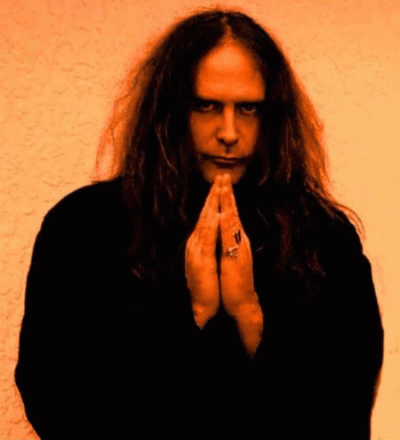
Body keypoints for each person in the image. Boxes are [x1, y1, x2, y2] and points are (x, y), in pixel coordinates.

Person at [15, 9, 383, 440]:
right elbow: (57, 404)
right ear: (170, 112)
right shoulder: (83, 228)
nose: (228, 132)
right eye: (206, 106)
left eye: (248, 108)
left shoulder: (325, 240)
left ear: (272, 116)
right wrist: (192, 317)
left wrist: (249, 316)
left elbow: (344, 417)